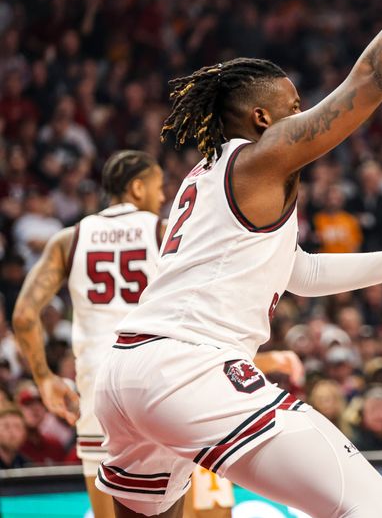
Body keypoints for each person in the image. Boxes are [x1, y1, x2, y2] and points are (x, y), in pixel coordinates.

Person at [92, 0, 382, 516]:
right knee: (374, 505)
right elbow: (373, 78)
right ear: (262, 119)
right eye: (295, 108)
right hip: (188, 370)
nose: (303, 116)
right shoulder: (260, 160)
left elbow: (302, 272)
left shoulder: (204, 178)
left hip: (124, 372)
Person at [13, 151, 280, 518]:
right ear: (137, 187)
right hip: (160, 375)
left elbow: (25, 315)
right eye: (157, 187)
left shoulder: (68, 239)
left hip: (98, 382)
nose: (160, 196)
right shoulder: (167, 230)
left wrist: (44, 377)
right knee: (183, 502)